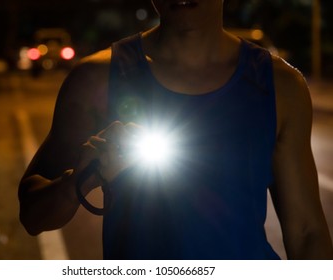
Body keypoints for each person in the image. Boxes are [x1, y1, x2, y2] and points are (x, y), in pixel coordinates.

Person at [18, 0, 333, 259]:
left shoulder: (280, 86)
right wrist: (81, 180)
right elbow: (32, 215)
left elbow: (307, 233)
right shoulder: (95, 79)